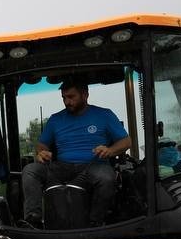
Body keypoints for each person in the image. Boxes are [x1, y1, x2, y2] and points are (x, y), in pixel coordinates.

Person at [21, 80, 130, 227]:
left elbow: (126, 142)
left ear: (85, 95)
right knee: (30, 170)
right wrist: (41, 153)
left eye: (71, 97)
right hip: (61, 168)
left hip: (93, 166)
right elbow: (42, 144)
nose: (67, 101)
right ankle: (33, 219)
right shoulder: (55, 119)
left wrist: (109, 150)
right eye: (64, 98)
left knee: (106, 177)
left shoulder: (104, 115)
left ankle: (95, 224)